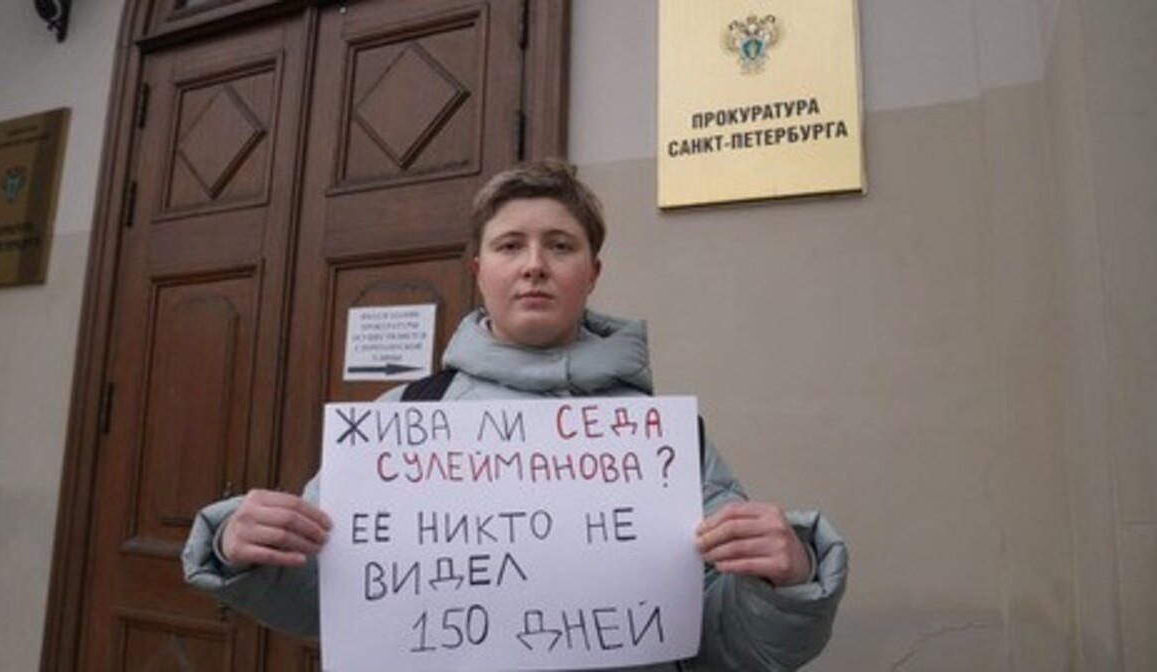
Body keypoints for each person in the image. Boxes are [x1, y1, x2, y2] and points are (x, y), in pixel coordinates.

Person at [183, 159, 848, 671]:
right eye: (510, 246)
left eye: (560, 246)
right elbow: (330, 603)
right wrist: (242, 550)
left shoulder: (661, 442)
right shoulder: (402, 422)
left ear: (592, 273)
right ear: (479, 270)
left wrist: (785, 583)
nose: (534, 266)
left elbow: (731, 648)